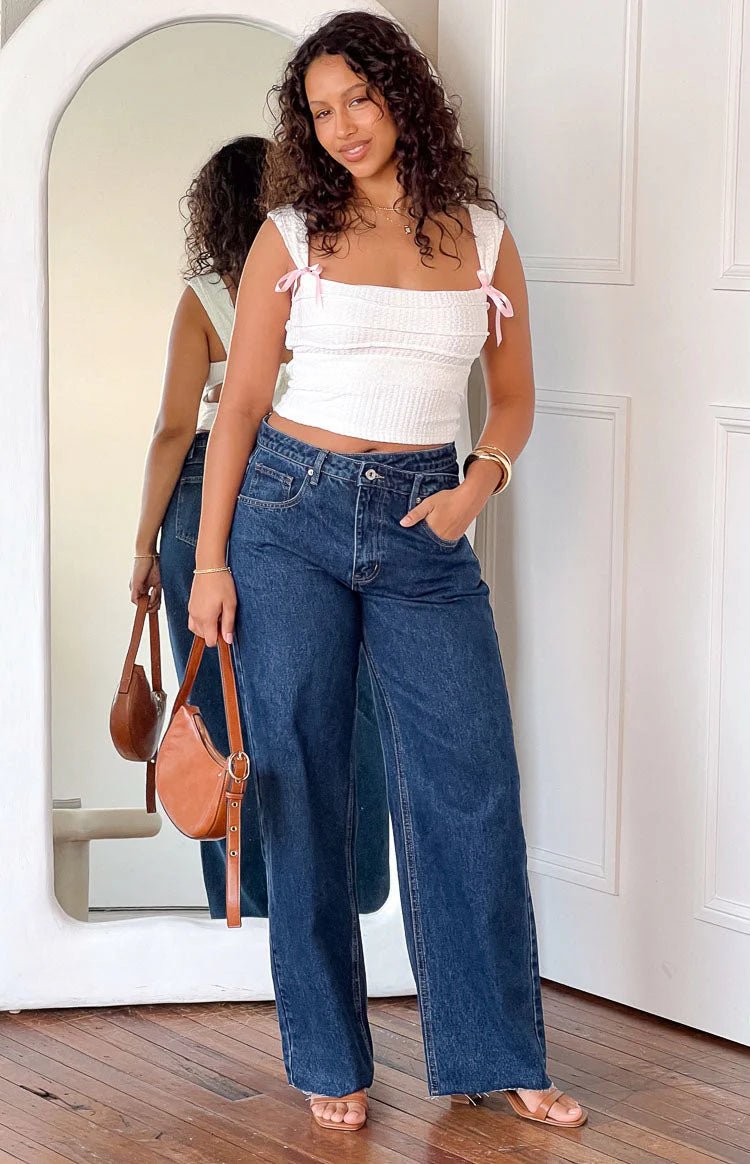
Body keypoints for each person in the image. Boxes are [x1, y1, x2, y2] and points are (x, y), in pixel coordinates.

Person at [187, 10, 587, 1134]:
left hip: (426, 522)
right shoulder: (288, 236)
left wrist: (477, 485)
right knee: (305, 782)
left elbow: (514, 396)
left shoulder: (485, 240)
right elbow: (241, 408)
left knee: (470, 784)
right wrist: (210, 560)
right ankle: (329, 1057)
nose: (343, 126)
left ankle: (499, 1051)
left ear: (401, 96)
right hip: (287, 516)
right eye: (320, 111)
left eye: (358, 98)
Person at [130, 135, 390, 920]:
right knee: (337, 692)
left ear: (210, 211)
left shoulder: (205, 298)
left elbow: (175, 431)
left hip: (202, 492)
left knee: (214, 704)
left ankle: (241, 907)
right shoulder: (324, 276)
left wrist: (143, 544)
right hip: (304, 484)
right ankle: (353, 898)